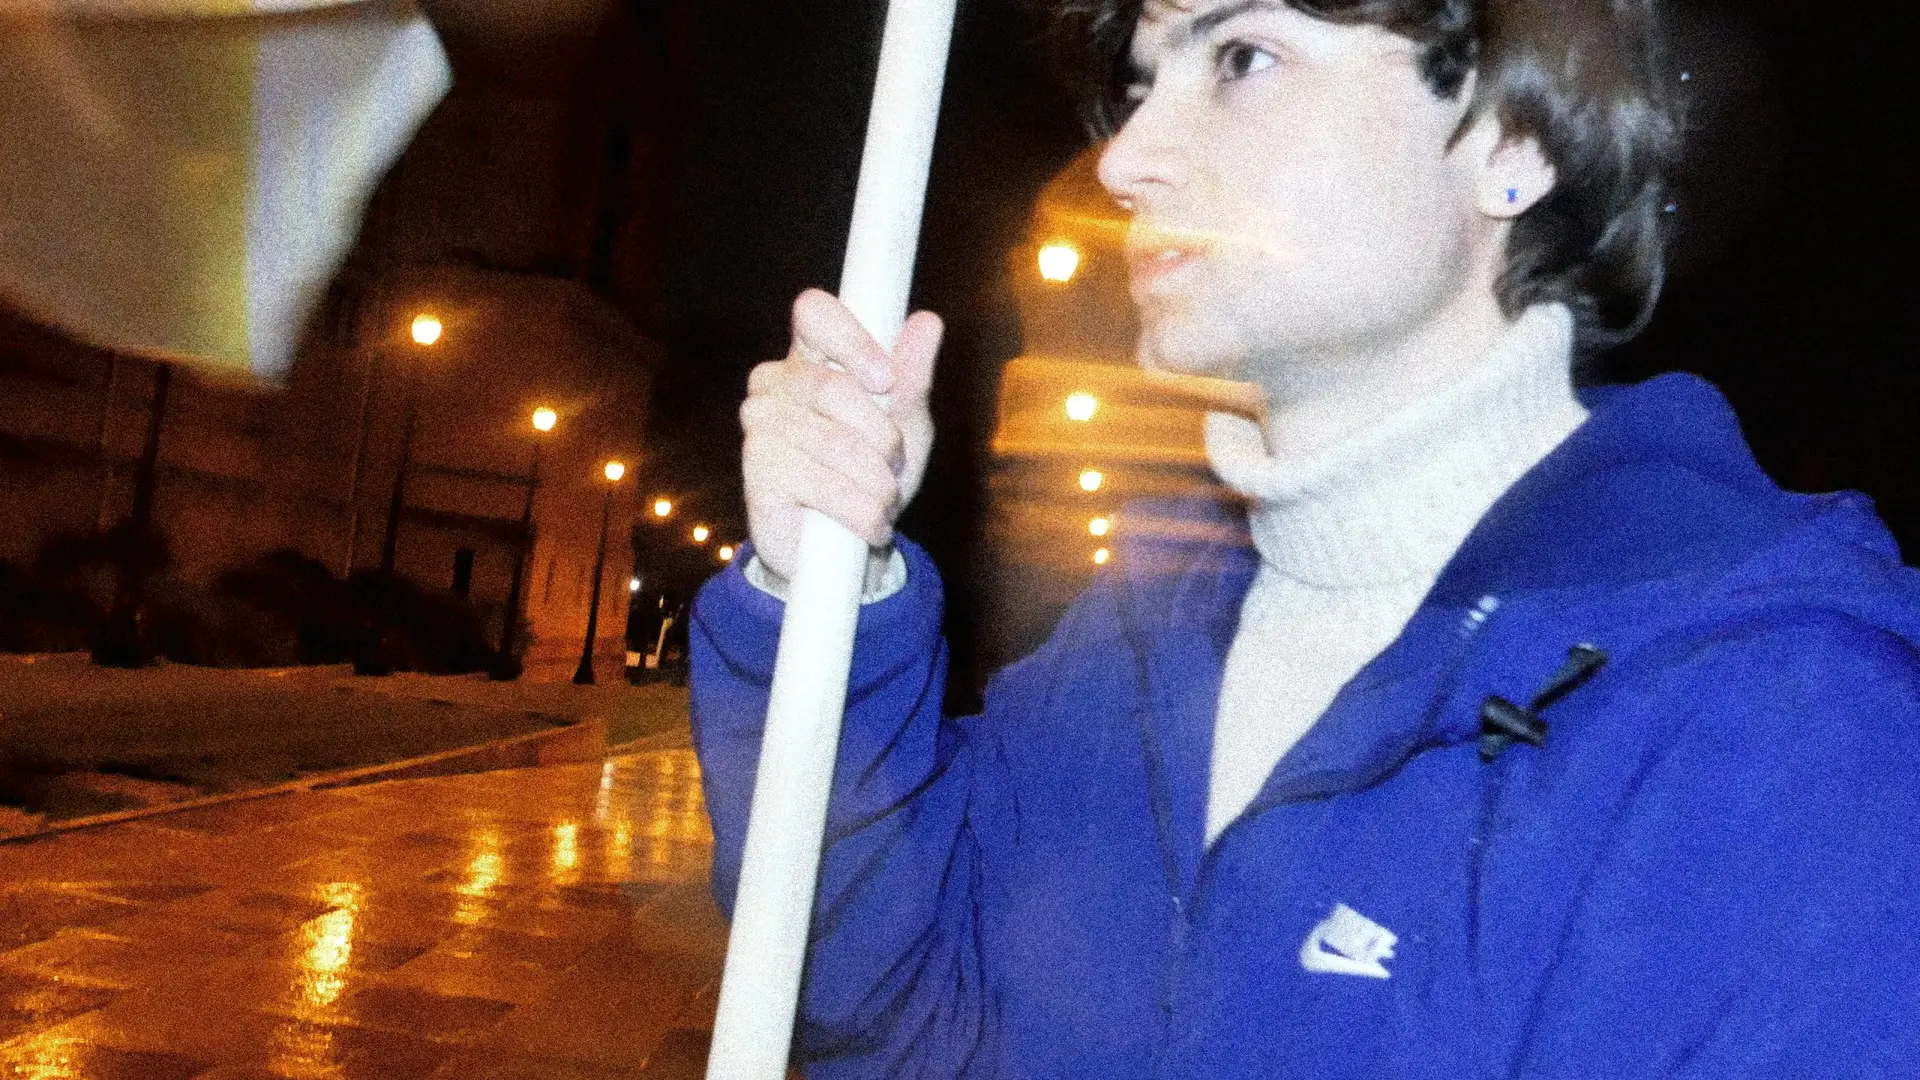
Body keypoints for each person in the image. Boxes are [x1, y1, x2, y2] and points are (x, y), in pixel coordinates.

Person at [690, 0, 1920, 1075]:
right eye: (1142, 83)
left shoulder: (1774, 722)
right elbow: (904, 1020)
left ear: (1513, 142)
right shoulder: (1130, 647)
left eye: (1244, 58)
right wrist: (830, 584)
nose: (1126, 160)